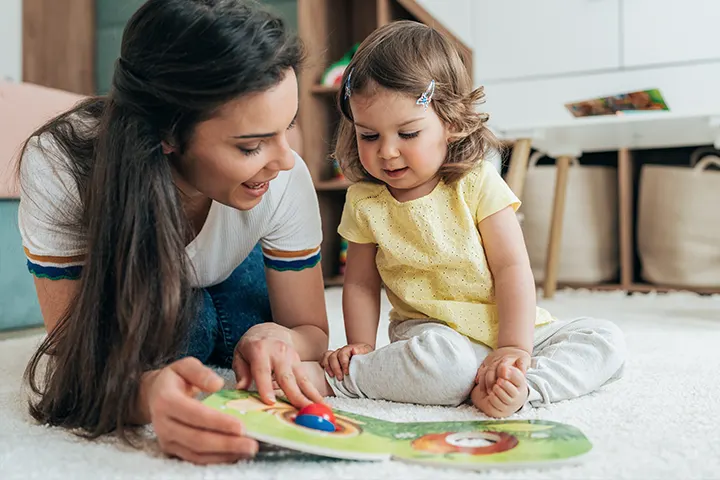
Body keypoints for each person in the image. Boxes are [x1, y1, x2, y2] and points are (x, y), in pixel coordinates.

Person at [17, 0, 329, 465]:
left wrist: (276, 336)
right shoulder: (61, 170)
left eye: (288, 127)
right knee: (177, 335)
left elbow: (313, 332)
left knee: (228, 329)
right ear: (167, 133)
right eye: (251, 145)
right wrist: (141, 394)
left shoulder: (284, 176)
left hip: (236, 263)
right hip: (140, 273)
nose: (284, 160)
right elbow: (72, 355)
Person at [299, 21, 626, 417]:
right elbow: (362, 286)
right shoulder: (365, 201)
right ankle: (344, 380)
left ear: (450, 123)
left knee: (605, 339)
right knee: (446, 369)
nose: (387, 151)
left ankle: (521, 390)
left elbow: (511, 268)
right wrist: (362, 348)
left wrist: (514, 348)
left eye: (407, 134)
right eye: (369, 136)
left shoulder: (476, 183)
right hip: (435, 336)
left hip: (512, 328)